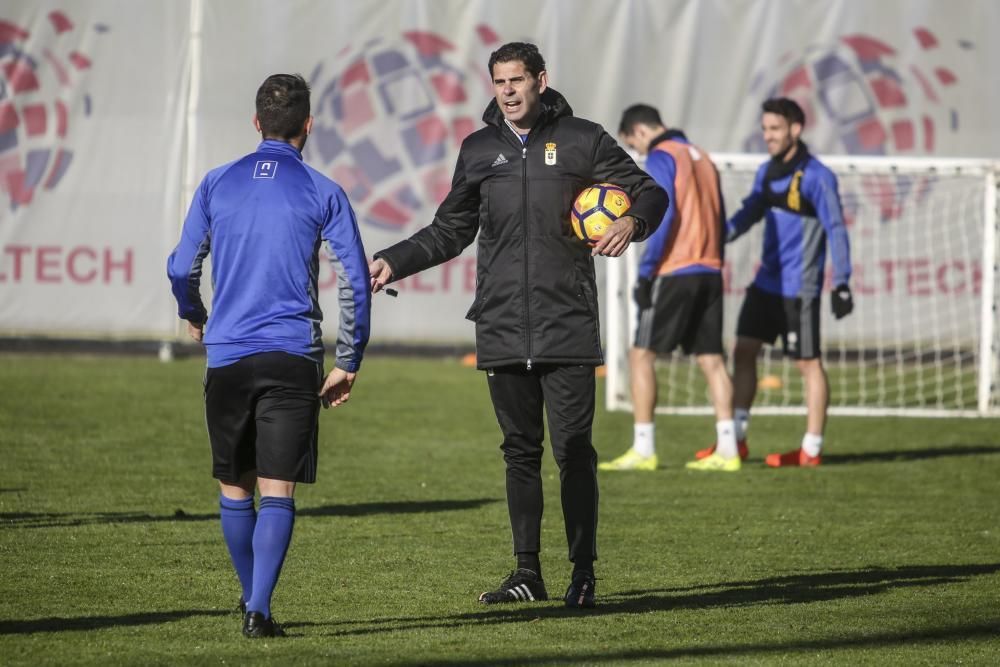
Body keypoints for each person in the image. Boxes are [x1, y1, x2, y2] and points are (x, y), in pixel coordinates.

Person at [368, 43, 667, 608]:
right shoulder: (479, 150)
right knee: (519, 452)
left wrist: (632, 219)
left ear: (540, 80)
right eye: (499, 82)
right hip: (503, 325)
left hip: (568, 322)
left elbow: (650, 190)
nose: (507, 92)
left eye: (517, 80)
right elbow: (449, 230)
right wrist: (393, 260)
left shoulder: (583, 138)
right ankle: (527, 572)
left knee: (574, 451)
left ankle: (584, 573)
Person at [167, 74, 371, 637]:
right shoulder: (323, 189)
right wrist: (349, 358)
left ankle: (249, 597)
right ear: (309, 125)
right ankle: (258, 609)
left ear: (256, 123)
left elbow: (181, 266)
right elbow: (354, 280)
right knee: (276, 487)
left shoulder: (216, 183)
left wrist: (194, 312)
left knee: (235, 487)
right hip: (291, 356)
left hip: (227, 354)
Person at [598, 104, 744, 473]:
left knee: (641, 355)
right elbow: (720, 219)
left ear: (639, 132)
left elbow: (663, 212)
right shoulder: (703, 157)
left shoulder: (663, 156)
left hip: (675, 268)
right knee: (712, 360)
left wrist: (646, 272)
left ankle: (644, 448)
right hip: (710, 268)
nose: (640, 152)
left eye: (635, 144)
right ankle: (728, 448)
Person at [710, 97, 853, 468]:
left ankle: (811, 449)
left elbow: (836, 228)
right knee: (743, 351)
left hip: (799, 289)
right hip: (765, 284)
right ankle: (737, 440)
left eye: (775, 129)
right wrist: (718, 236)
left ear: (795, 129)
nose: (768, 136)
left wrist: (843, 282)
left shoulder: (818, 177)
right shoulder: (767, 172)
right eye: (765, 129)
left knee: (808, 364)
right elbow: (750, 211)